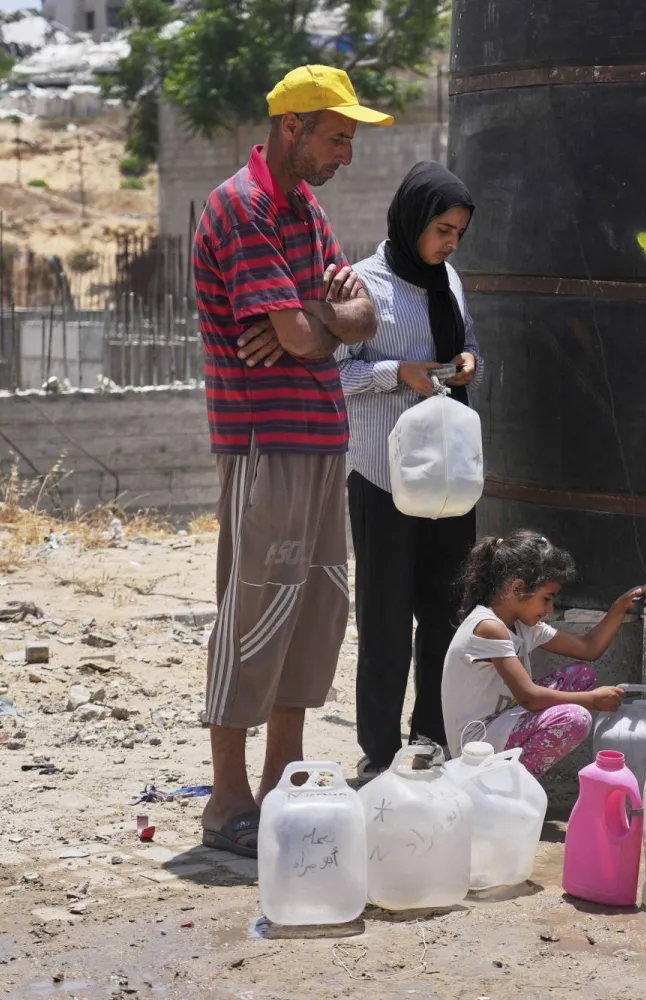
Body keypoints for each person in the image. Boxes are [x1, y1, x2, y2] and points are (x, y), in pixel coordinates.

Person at [194, 65, 390, 857]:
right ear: (292, 128)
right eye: (337, 136)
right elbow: (321, 334)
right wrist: (322, 317)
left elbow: (362, 313)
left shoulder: (301, 207)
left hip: (319, 439)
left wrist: (315, 315)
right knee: (254, 610)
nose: (345, 153)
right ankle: (226, 800)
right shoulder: (241, 208)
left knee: (313, 613)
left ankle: (282, 780)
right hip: (263, 443)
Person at [338, 162, 483, 779]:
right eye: (442, 230)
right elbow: (334, 376)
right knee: (386, 615)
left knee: (446, 613)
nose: (450, 245)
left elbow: (468, 343)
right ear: (411, 220)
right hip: (383, 478)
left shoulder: (447, 279)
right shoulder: (360, 284)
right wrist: (399, 372)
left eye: (458, 233)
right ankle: (379, 746)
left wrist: (468, 361)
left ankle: (430, 737)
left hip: (448, 482)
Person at [441, 530, 646, 778]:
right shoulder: (489, 627)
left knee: (581, 676)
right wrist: (592, 700)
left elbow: (589, 648)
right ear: (517, 588)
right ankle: (502, 787)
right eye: (546, 598)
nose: (550, 608)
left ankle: (507, 779)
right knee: (575, 719)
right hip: (477, 743)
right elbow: (529, 697)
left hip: (503, 720)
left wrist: (620, 606)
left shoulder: (522, 624)